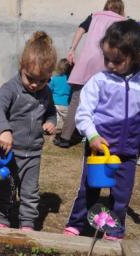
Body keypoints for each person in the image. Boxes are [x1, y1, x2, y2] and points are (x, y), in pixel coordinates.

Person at [64, 20, 140, 240]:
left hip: (127, 152)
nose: (110, 64)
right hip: (99, 149)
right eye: (106, 58)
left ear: (134, 57)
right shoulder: (99, 81)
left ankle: (114, 228)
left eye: (117, 60)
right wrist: (93, 136)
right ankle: (76, 223)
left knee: (122, 195)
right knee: (89, 189)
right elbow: (84, 112)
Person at [0, 31, 57, 231]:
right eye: (31, 78)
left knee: (30, 191)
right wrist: (4, 130)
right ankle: (2, 218)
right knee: (5, 188)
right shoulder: (11, 88)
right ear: (22, 66)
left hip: (33, 153)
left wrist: (51, 122)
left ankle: (27, 222)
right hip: (7, 153)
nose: (35, 85)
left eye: (42, 80)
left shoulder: (46, 92)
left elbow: (51, 113)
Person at [54, 0, 125, 148]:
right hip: (107, 63)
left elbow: (80, 29)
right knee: (104, 102)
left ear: (106, 6)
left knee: (75, 100)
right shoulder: (123, 22)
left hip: (87, 62)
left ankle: (65, 137)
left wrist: (72, 49)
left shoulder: (94, 16)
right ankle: (98, 136)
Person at [48, 58, 72, 133]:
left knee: (57, 120)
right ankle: (64, 132)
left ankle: (55, 131)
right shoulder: (70, 80)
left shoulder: (54, 79)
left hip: (55, 103)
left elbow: (49, 89)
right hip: (65, 104)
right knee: (67, 121)